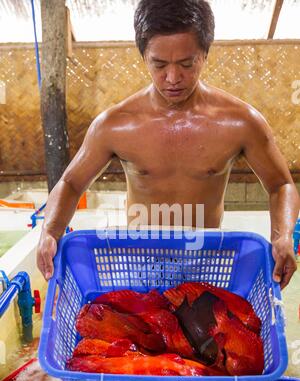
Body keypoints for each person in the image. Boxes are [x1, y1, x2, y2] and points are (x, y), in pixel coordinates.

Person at [37, 0, 299, 289]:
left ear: (205, 54)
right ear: (144, 57)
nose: (173, 78)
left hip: (207, 261)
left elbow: (281, 185)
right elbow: (71, 183)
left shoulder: (240, 122)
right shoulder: (116, 124)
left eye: (187, 64)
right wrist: (50, 230)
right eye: (159, 64)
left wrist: (282, 236)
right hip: (140, 260)